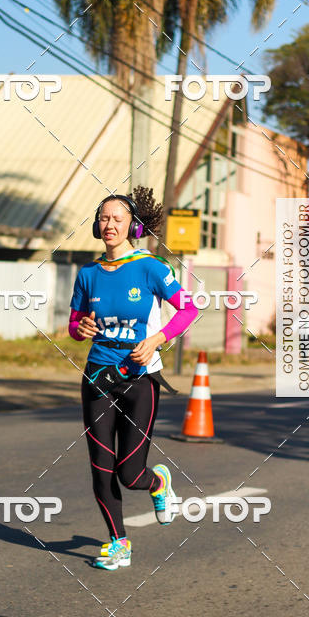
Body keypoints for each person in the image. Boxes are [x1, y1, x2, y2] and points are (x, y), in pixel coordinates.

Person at [69, 187, 198, 571]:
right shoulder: (88, 273)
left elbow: (189, 310)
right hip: (98, 376)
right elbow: (74, 326)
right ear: (96, 224)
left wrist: (157, 339)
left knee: (130, 472)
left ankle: (158, 483)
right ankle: (118, 542)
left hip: (140, 379)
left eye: (117, 219)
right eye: (104, 219)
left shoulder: (151, 267)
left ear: (133, 227)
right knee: (101, 467)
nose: (109, 225)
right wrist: (82, 328)